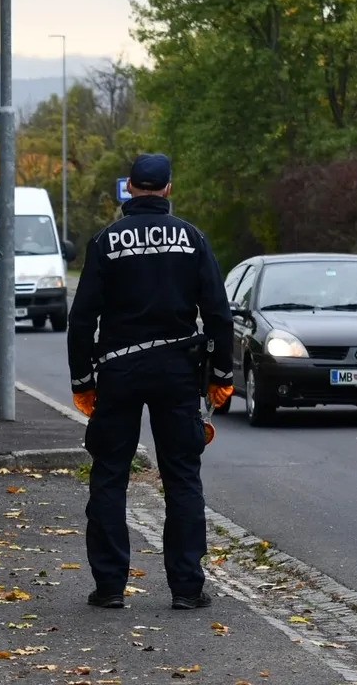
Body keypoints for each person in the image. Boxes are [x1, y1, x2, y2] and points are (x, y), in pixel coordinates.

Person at [66, 154, 234, 610]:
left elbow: (82, 320)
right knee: (181, 478)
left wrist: (83, 381)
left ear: (129, 189)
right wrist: (222, 375)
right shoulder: (192, 239)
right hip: (178, 372)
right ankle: (186, 588)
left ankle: (109, 587)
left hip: (119, 371)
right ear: (167, 189)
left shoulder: (105, 241)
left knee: (109, 476)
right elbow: (218, 313)